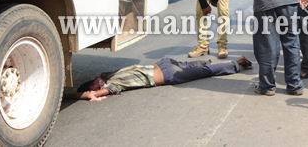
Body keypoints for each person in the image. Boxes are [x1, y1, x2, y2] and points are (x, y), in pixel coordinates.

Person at [67, 56, 253, 101]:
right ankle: (229, 62)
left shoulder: (113, 82)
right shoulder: (112, 75)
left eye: (95, 84)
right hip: (164, 64)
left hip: (168, 73)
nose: (98, 81)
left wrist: (68, 96)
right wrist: (91, 91)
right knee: (200, 67)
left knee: (204, 71)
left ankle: (236, 64)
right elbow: (95, 90)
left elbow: (94, 94)